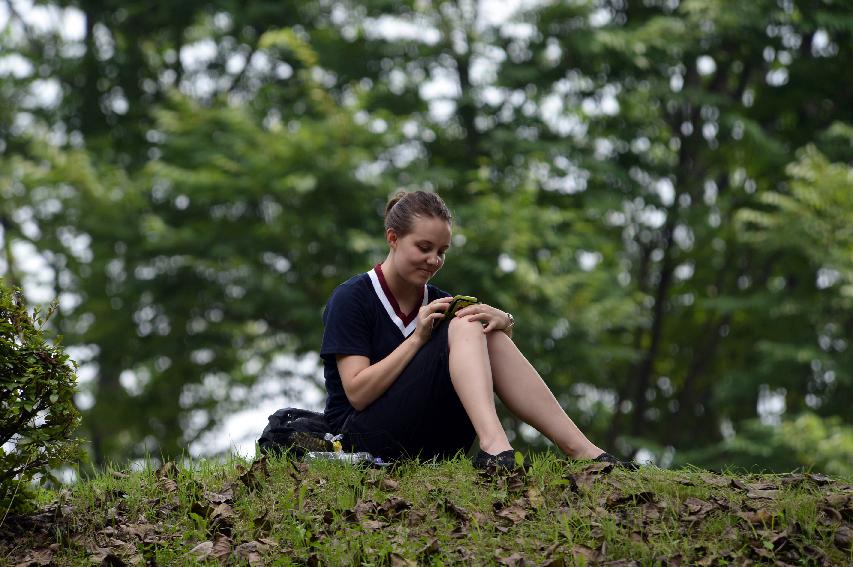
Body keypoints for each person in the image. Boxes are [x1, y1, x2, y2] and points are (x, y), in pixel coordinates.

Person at [320, 190, 629, 469]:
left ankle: (582, 450)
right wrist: (417, 340)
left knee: (478, 326)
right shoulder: (352, 298)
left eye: (442, 251)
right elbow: (358, 394)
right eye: (424, 247)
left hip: (432, 442)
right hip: (358, 441)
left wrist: (504, 322)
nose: (433, 260)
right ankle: (495, 447)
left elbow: (485, 361)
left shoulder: (439, 301)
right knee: (465, 325)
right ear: (393, 239)